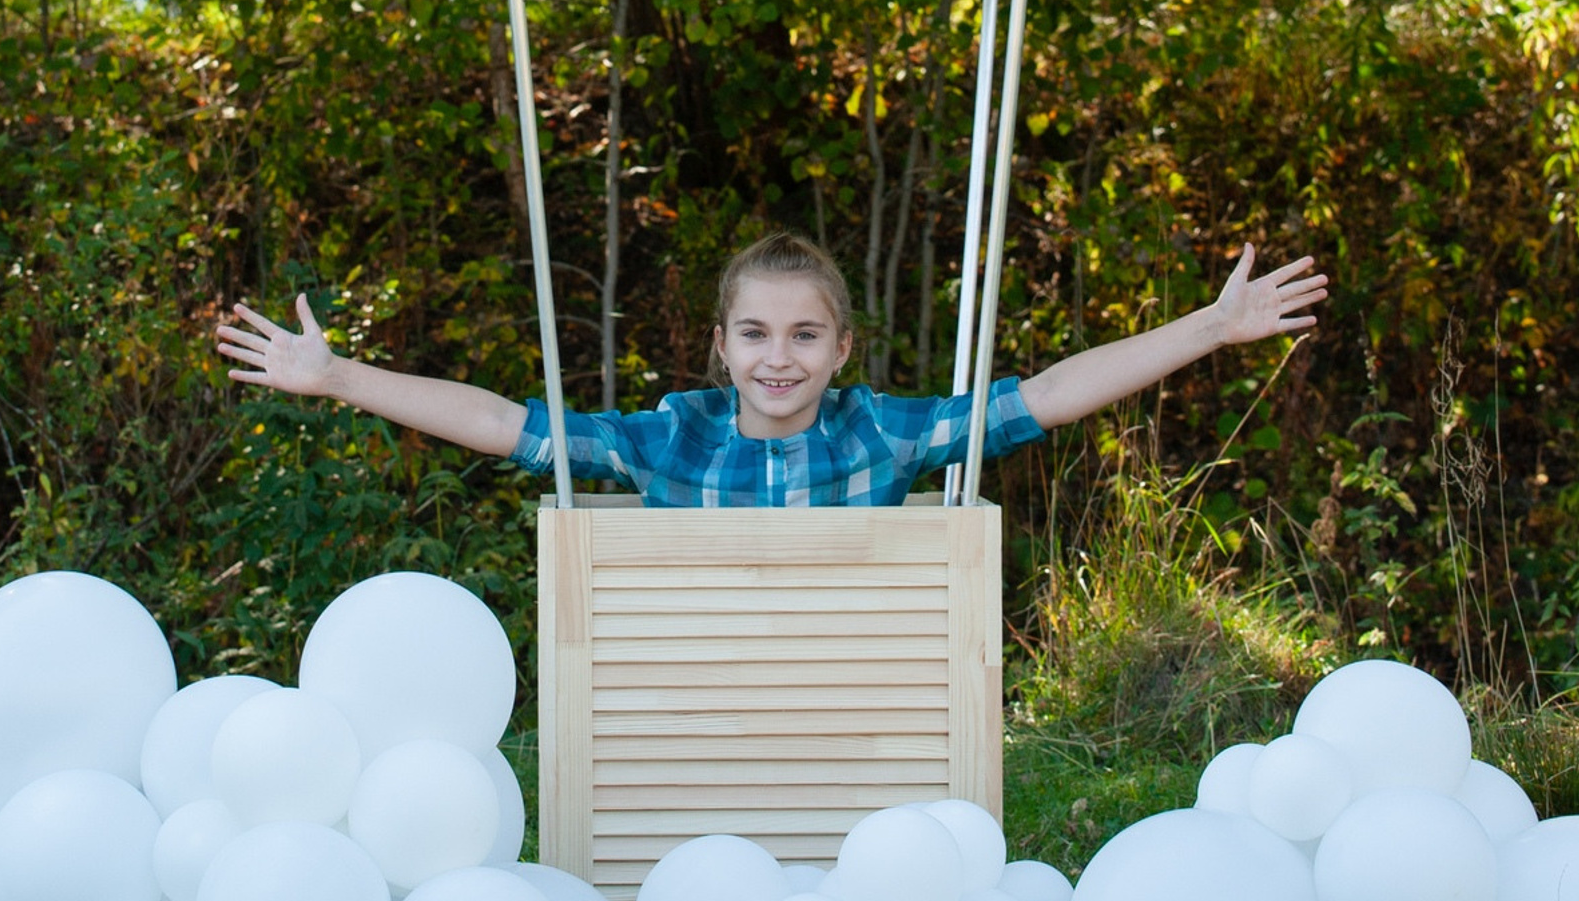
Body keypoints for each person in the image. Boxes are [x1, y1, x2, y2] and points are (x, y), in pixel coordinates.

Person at [213, 231, 1327, 507]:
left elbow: (1040, 397)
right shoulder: (673, 439)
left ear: (842, 349)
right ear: (720, 348)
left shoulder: (880, 434)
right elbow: (516, 426)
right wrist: (344, 376)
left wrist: (1205, 330)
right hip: (698, 710)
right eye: (755, 335)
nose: (777, 358)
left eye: (804, 336)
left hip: (851, 708)